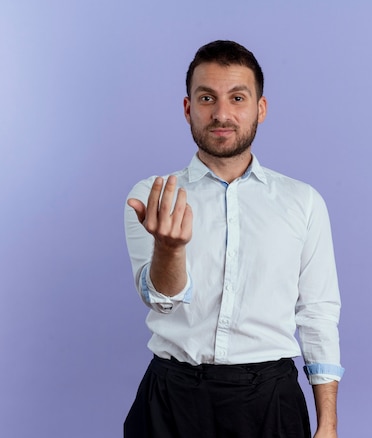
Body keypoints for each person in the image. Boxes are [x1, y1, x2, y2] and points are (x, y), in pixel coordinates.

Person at [124, 40, 344, 438]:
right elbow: (162, 301)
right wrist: (170, 249)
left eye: (237, 97)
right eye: (207, 97)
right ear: (188, 108)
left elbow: (318, 315)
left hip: (269, 402)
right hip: (171, 399)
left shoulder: (303, 202)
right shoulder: (153, 196)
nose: (222, 114)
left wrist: (327, 423)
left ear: (260, 108)